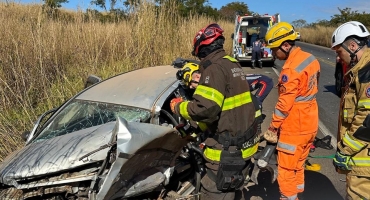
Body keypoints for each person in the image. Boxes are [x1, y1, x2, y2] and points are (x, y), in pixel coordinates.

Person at [170, 23, 259, 200]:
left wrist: (178, 106)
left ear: (201, 49)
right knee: (233, 190)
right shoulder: (231, 64)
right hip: (243, 147)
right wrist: (195, 128)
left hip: (224, 153)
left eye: (199, 55)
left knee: (214, 192)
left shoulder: (214, 68)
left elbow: (206, 109)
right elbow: (223, 109)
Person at [263, 21, 320, 200]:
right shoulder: (311, 59)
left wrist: (272, 128)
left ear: (286, 45)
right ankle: (297, 195)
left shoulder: (290, 68)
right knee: (298, 166)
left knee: (287, 170)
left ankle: (289, 197)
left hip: (294, 127)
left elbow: (284, 104)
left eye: (274, 49)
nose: (272, 53)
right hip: (310, 124)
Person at [331, 21, 370, 200]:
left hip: (364, 166)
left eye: (339, 52)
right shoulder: (359, 71)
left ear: (352, 46)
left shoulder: (366, 73)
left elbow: (366, 119)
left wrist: (345, 150)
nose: (338, 58)